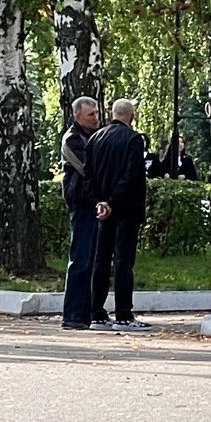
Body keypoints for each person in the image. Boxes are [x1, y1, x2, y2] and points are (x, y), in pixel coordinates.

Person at [88, 96, 149, 332]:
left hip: (102, 210)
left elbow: (88, 174)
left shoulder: (95, 139)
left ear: (112, 114)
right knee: (123, 261)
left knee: (101, 260)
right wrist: (113, 201)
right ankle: (123, 314)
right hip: (125, 208)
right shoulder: (133, 140)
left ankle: (96, 313)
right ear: (131, 117)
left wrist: (100, 202)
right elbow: (131, 175)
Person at [58, 95, 105, 330]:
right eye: (91, 115)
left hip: (94, 202)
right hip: (82, 203)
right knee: (80, 260)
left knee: (94, 261)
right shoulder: (72, 140)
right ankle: (72, 314)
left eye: (97, 114)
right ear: (77, 116)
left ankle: (88, 313)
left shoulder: (95, 136)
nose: (96, 118)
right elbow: (88, 169)